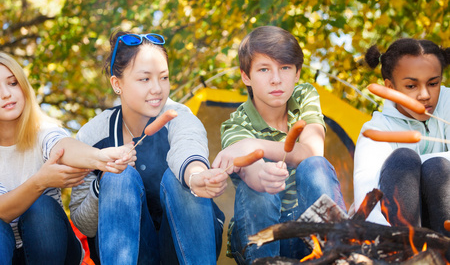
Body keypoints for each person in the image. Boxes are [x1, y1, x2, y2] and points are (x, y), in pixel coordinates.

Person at [69, 31, 228, 265]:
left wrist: (194, 176)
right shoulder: (92, 135)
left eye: (163, 77)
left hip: (186, 246)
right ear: (117, 84)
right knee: (116, 177)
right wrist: (103, 178)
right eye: (145, 79)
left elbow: (188, 144)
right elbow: (83, 224)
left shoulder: (179, 116)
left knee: (179, 179)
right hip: (132, 252)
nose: (157, 89)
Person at [211, 26, 346, 264]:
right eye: (264, 69)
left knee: (315, 165)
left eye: (285, 68)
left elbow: (313, 151)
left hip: (306, 231)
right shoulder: (235, 125)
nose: (276, 79)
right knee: (260, 192)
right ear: (246, 76)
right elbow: (254, 176)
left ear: (296, 73)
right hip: (261, 235)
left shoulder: (303, 95)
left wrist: (253, 145)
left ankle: (338, 255)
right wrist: (262, 172)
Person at [0, 52, 135, 265]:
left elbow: (63, 147)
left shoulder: (42, 131)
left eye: (13, 82)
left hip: (54, 249)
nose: (6, 94)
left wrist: (99, 157)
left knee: (41, 207)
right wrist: (40, 181)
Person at [353, 39, 450, 241]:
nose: (425, 95)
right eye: (411, 85)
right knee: (404, 160)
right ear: (390, 87)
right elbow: (368, 198)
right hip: (401, 230)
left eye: (433, 83)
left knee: (437, 168)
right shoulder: (376, 129)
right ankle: (407, 253)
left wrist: (429, 166)